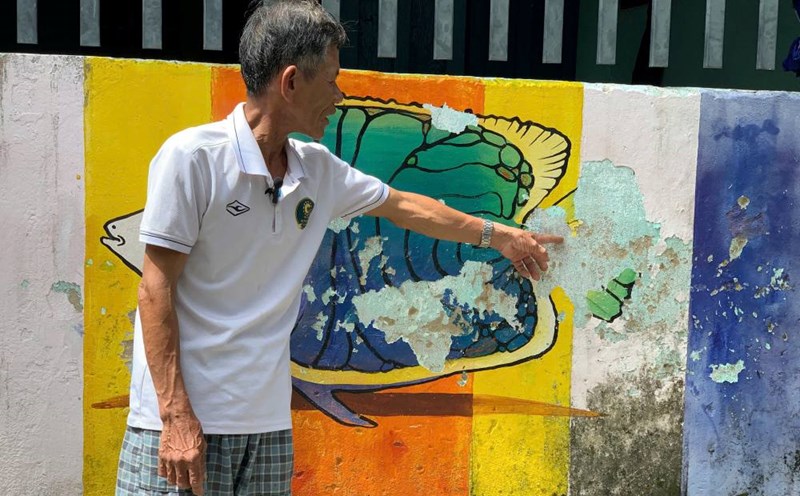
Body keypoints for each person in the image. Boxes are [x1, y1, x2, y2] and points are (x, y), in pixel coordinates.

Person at [115, 1, 563, 495]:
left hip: (266, 428)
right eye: (330, 81)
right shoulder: (192, 159)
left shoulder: (318, 169)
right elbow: (155, 290)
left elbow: (405, 207)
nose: (338, 94)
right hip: (184, 431)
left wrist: (501, 236)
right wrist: (175, 416)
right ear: (290, 82)